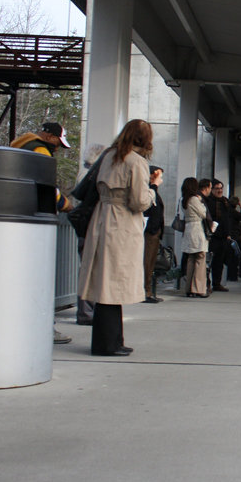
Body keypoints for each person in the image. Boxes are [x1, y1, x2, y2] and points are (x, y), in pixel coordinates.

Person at [77, 119, 156, 356]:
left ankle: (111, 340)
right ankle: (108, 344)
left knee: (103, 280)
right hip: (121, 222)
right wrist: (152, 191)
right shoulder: (137, 161)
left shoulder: (108, 156)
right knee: (114, 282)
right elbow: (139, 201)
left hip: (101, 218)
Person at [13, 121, 74, 344]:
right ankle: (43, 328)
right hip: (35, 222)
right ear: (49, 137)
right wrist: (64, 203)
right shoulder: (40, 150)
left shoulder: (20, 147)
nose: (57, 149)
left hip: (19, 219)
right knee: (40, 279)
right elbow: (46, 187)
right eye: (58, 143)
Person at [74, 143, 106, 325]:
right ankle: (87, 312)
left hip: (84, 227)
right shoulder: (94, 178)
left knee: (87, 269)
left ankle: (87, 311)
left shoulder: (83, 175)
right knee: (90, 270)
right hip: (91, 227)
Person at [179, 177, 209, 298]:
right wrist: (201, 202)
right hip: (197, 229)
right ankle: (199, 289)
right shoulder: (194, 199)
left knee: (190, 259)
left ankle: (189, 288)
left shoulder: (183, 200)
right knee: (200, 259)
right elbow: (203, 213)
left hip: (188, 229)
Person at [142, 165, 166, 303]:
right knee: (146, 262)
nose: (161, 179)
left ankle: (148, 290)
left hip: (154, 232)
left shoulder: (153, 191)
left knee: (150, 263)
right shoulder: (148, 190)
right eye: (159, 176)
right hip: (149, 232)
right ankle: (146, 291)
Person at [206, 179, 232, 291]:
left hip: (223, 236)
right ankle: (207, 283)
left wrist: (228, 233)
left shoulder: (225, 202)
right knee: (209, 261)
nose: (219, 190)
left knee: (220, 261)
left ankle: (217, 283)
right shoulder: (208, 201)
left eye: (221, 188)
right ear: (212, 189)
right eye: (217, 188)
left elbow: (228, 219)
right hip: (212, 235)